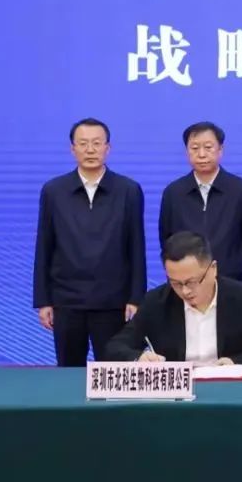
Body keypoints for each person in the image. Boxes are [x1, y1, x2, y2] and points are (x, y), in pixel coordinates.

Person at [33, 118, 146, 367]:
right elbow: (44, 246)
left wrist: (136, 298)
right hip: (67, 301)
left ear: (108, 148)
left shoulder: (128, 190)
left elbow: (136, 247)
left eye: (97, 143)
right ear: (72, 149)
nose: (90, 150)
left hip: (113, 302)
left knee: (114, 373)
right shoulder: (54, 190)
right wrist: (43, 300)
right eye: (83, 144)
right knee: (68, 371)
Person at [105, 231, 242, 366]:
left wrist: (236, 362)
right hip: (178, 393)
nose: (185, 291)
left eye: (192, 282)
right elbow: (116, 346)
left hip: (229, 389)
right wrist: (138, 357)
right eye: (175, 283)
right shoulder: (156, 302)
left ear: (213, 269)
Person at [159, 121, 242, 282]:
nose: (201, 154)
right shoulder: (173, 193)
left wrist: (237, 268)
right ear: (187, 151)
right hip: (186, 283)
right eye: (194, 148)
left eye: (208, 147)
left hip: (231, 282)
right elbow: (167, 239)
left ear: (221, 149)